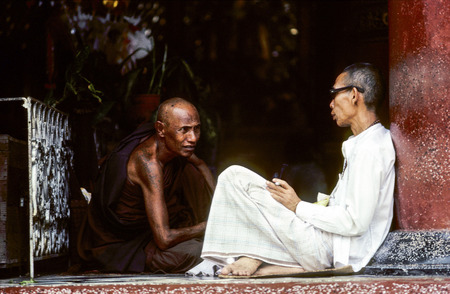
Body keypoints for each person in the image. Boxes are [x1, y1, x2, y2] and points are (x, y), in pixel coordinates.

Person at [198, 63, 395, 276]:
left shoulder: (371, 148)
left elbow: (354, 222)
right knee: (250, 184)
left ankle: (246, 256)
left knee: (233, 177)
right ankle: (257, 257)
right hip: (323, 238)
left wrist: (297, 206)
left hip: (327, 248)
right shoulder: (363, 142)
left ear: (354, 95)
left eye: (334, 94)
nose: (331, 104)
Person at [78, 97, 215, 273]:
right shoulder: (148, 163)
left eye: (197, 129)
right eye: (184, 130)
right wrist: (208, 226)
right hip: (123, 246)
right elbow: (164, 239)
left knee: (192, 172)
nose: (193, 138)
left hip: (150, 232)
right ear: (161, 129)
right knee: (197, 251)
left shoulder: (176, 146)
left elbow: (201, 165)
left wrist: (219, 207)